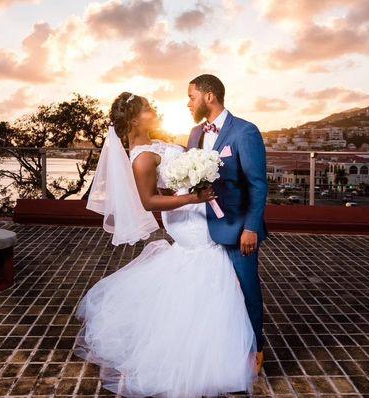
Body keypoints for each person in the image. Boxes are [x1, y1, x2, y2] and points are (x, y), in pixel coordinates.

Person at [75, 92, 258, 398]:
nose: (154, 110)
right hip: (188, 216)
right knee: (208, 269)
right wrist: (193, 197)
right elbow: (149, 202)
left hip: (194, 210)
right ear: (134, 118)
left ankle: (201, 342)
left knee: (200, 277)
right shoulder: (142, 157)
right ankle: (203, 357)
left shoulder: (153, 145)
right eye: (147, 109)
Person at [187, 74, 268, 373]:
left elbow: (258, 185)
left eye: (192, 96)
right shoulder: (195, 134)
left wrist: (251, 228)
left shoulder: (245, 132)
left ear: (209, 96)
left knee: (247, 289)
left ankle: (256, 347)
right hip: (201, 229)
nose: (188, 103)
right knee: (212, 293)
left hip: (238, 229)